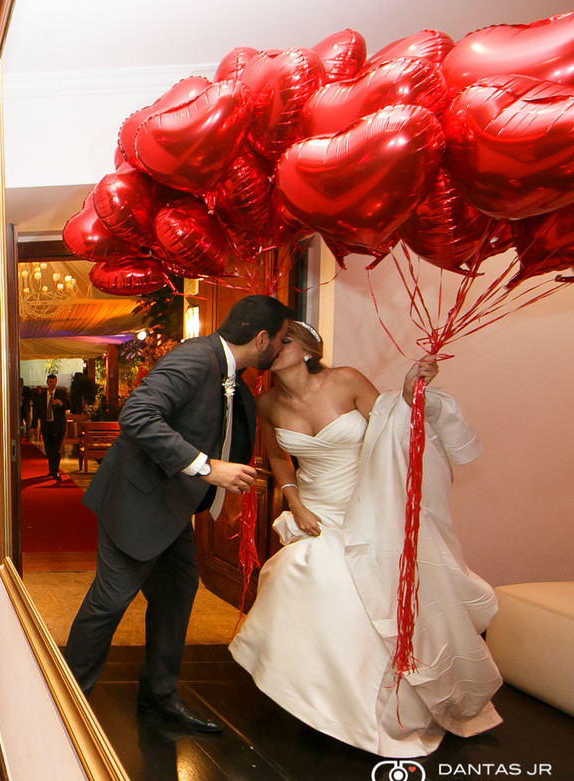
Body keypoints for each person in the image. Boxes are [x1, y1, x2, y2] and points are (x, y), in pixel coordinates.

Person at [229, 321, 502, 757]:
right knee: (300, 575)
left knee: (365, 598)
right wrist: (293, 500)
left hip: (368, 506)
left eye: (287, 340)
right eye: (273, 342)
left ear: (307, 348)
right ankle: (318, 699)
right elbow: (278, 456)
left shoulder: (346, 380)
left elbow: (393, 425)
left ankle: (374, 709)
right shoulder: (267, 404)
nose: (278, 347)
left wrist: (411, 393)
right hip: (316, 510)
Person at [65, 294, 294, 733]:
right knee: (108, 604)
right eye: (281, 340)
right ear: (261, 338)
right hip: (135, 504)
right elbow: (138, 413)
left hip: (172, 510)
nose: (281, 349)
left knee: (175, 598)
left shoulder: (235, 378)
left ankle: (159, 700)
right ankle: (64, 707)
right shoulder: (196, 357)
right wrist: (207, 467)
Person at [37, 374, 69, 480]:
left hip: (58, 426)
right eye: (50, 382)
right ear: (47, 382)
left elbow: (69, 405)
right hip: (46, 425)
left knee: (56, 449)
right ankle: (51, 469)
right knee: (48, 449)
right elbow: (38, 411)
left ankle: (55, 471)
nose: (52, 384)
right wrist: (33, 426)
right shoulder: (42, 395)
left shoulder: (61, 393)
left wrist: (61, 403)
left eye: (54, 382)